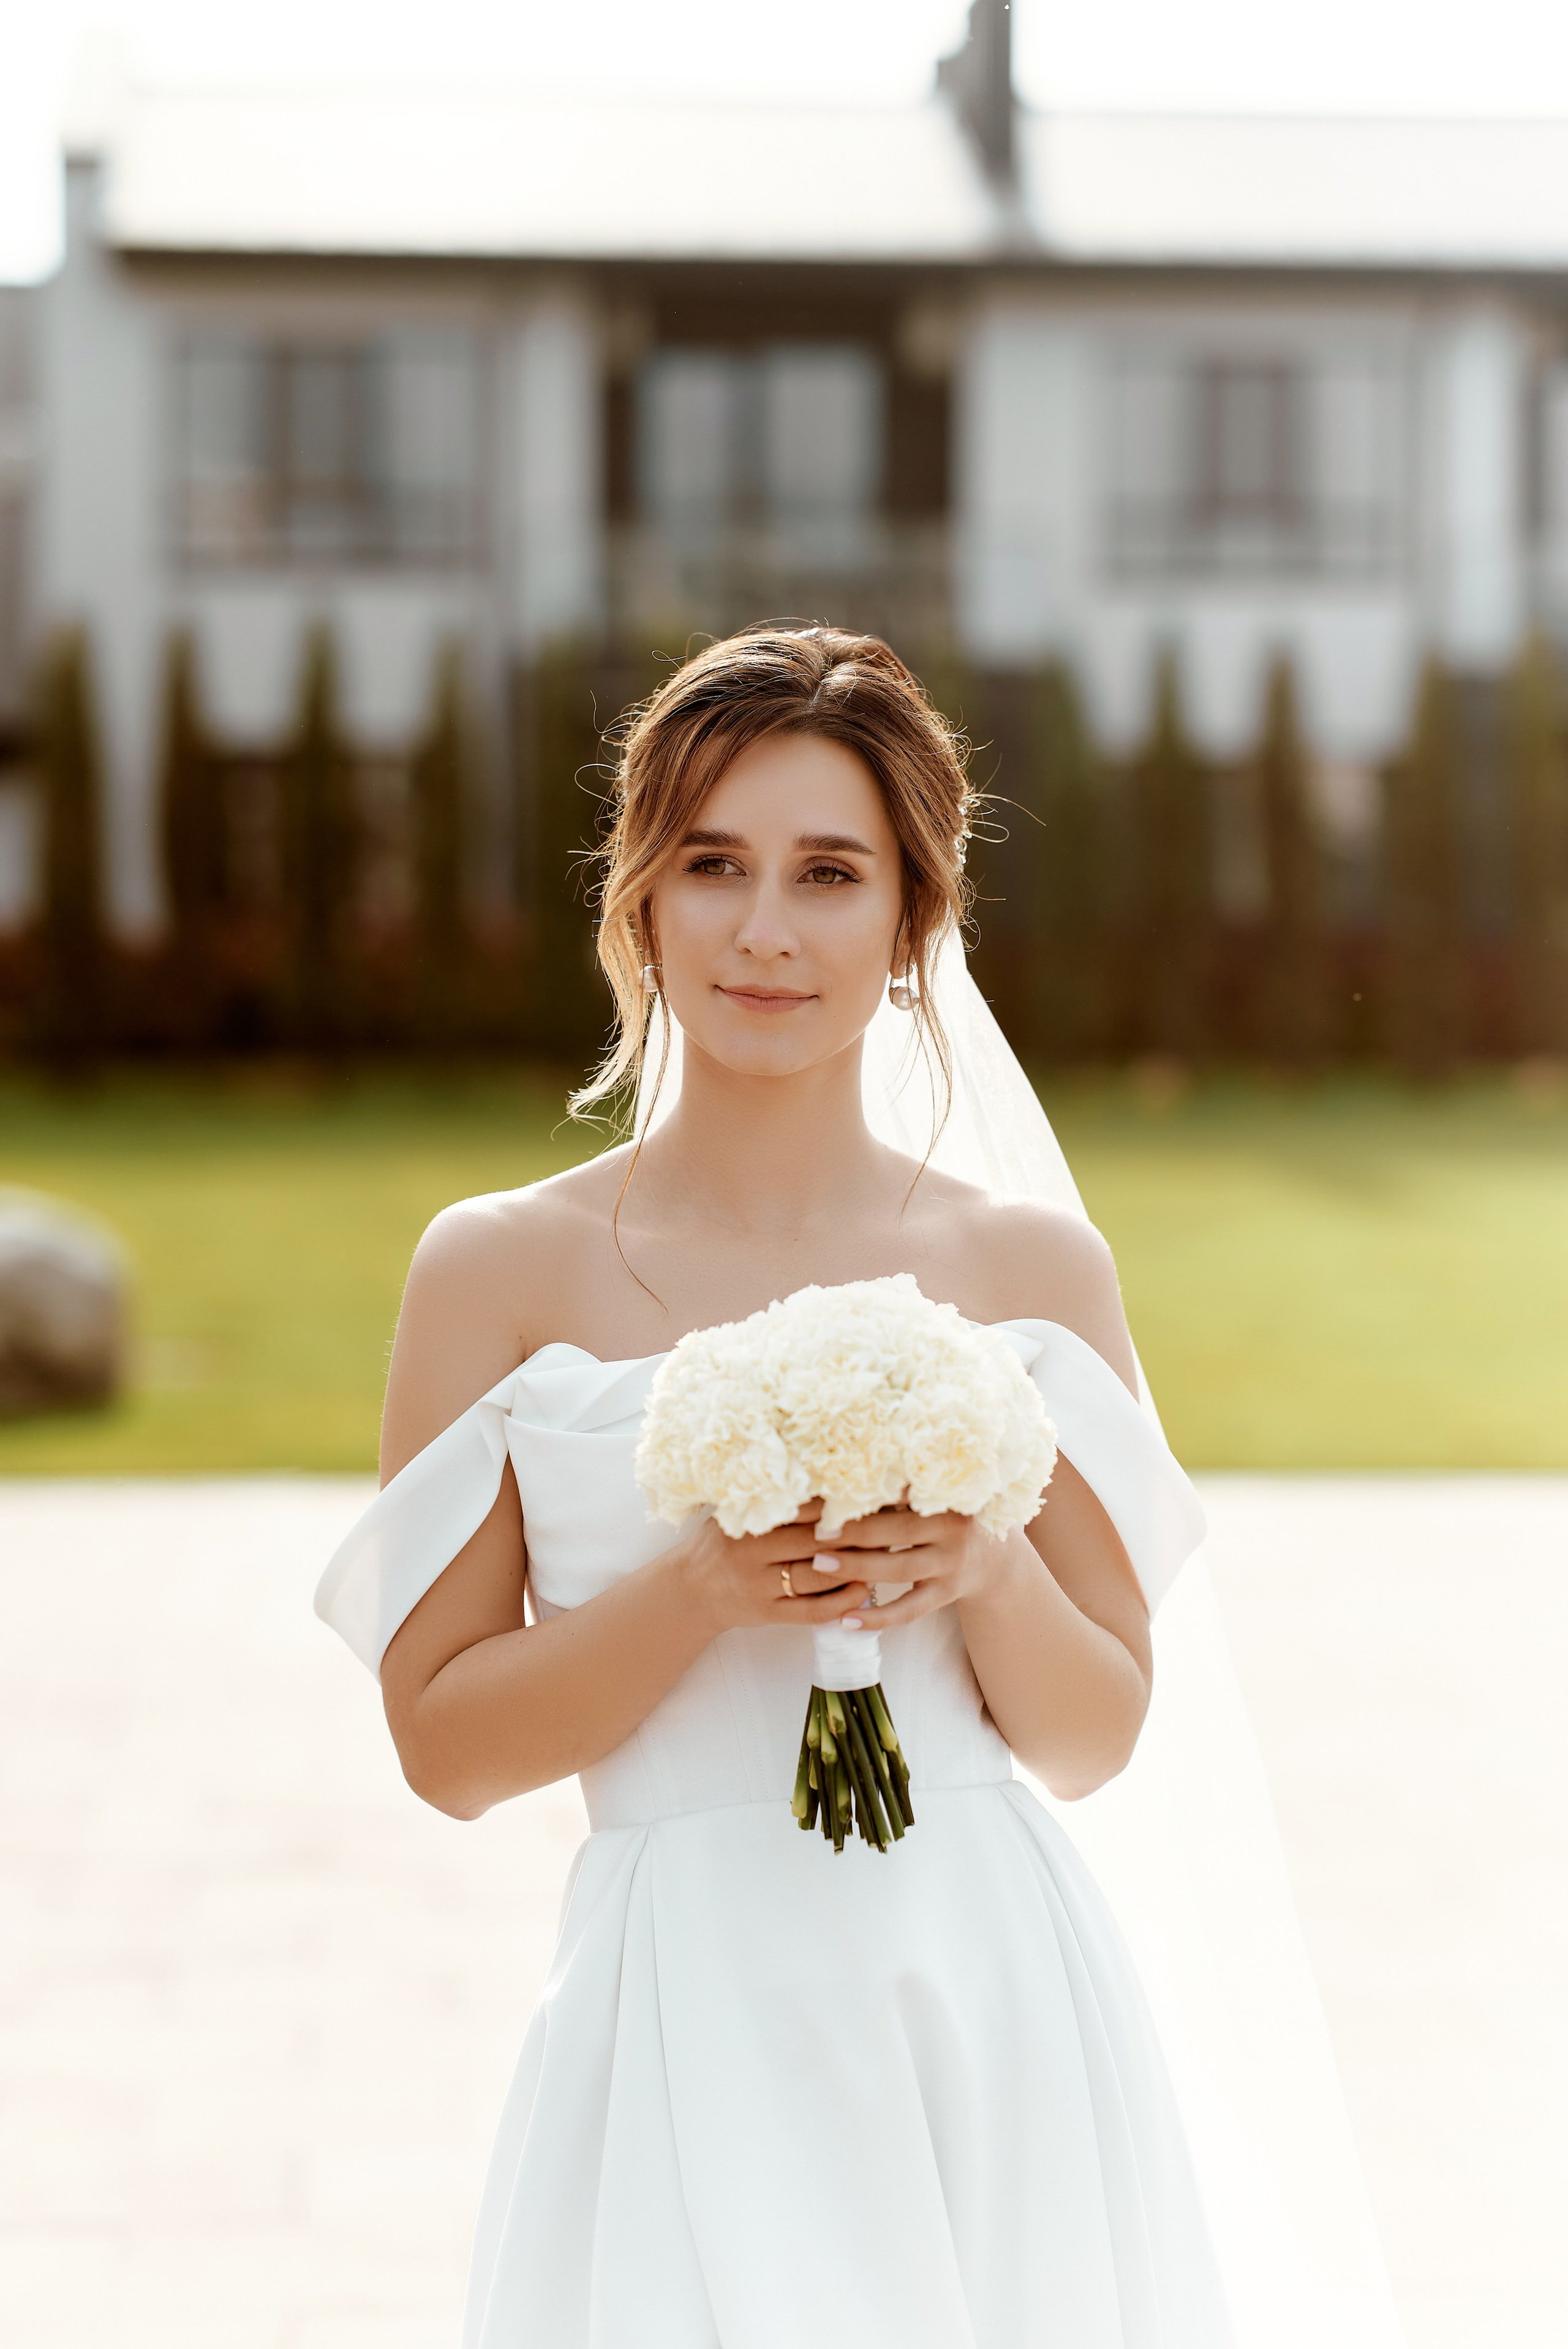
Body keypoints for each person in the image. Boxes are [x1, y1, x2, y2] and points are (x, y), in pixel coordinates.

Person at [314, 627, 1359, 2347]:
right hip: (682, 2015)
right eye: (712, 865)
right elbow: (443, 1747)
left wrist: (983, 1568)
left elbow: (1097, 1735)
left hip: (986, 1998)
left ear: (910, 924)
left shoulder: (1029, 1261)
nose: (765, 928)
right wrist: (704, 1589)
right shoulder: (494, 1269)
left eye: (828, 872)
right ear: (640, 899)